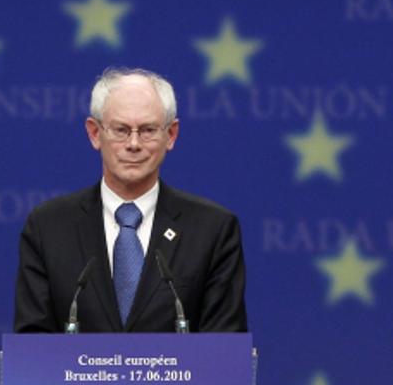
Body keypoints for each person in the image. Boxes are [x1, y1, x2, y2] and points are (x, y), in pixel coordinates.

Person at [14, 67, 247, 333]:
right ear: (94, 133)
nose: (134, 143)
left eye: (148, 130)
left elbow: (223, 348)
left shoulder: (212, 229)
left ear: (171, 135)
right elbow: (33, 347)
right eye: (121, 130)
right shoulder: (48, 227)